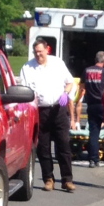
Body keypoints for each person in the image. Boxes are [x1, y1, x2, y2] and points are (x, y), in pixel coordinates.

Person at [20, 39, 76, 192]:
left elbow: (70, 82)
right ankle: (48, 179)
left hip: (58, 109)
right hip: (40, 111)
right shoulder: (27, 68)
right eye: (36, 52)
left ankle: (67, 179)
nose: (38, 55)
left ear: (47, 50)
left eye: (41, 52)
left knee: (63, 145)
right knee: (43, 147)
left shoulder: (57, 63)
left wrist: (66, 94)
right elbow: (24, 90)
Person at [77, 51, 104, 168]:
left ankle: (93, 159)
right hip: (103, 105)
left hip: (91, 105)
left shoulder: (87, 71)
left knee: (93, 133)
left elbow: (81, 87)